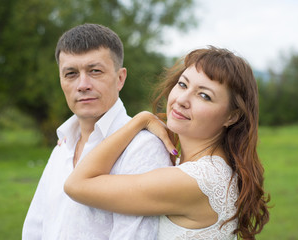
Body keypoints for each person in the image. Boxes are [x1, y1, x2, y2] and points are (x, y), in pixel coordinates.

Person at [64, 46, 270, 239]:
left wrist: (140, 120)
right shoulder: (207, 168)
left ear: (232, 117)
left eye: (204, 96)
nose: (182, 99)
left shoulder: (197, 181)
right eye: (183, 84)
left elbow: (77, 184)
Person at [22, 23, 171, 240]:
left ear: (120, 78)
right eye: (71, 73)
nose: (83, 84)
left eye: (94, 71)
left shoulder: (143, 147)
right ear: (61, 81)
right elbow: (35, 227)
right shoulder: (63, 145)